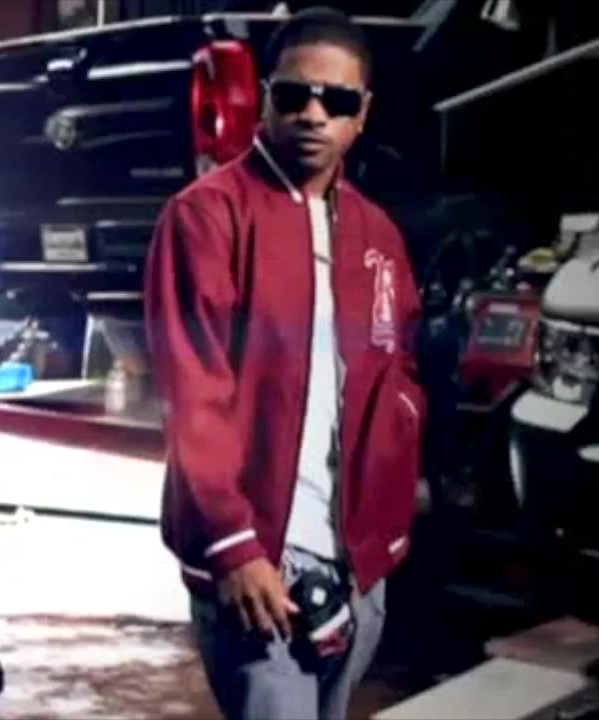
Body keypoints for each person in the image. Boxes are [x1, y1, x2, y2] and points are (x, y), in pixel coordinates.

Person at [143, 7, 427, 720]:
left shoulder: (378, 234)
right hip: (258, 564)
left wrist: (386, 513)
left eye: (337, 101)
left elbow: (401, 365)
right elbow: (193, 395)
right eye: (293, 94)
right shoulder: (205, 217)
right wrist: (234, 547)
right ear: (264, 97)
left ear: (362, 115)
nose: (313, 114)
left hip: (357, 567)